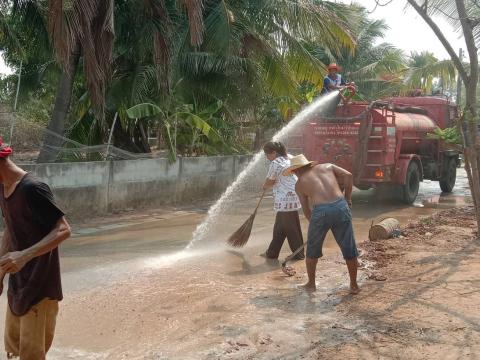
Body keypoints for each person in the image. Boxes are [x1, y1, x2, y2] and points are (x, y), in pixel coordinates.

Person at [0, 140, 71, 359]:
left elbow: (64, 230)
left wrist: (24, 255)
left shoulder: (33, 188)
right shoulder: (3, 188)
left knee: (31, 356)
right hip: (18, 287)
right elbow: (11, 230)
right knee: (13, 350)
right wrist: (0, 271)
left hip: (40, 288)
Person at [283, 154, 360, 294]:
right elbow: (348, 175)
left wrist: (315, 228)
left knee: (312, 251)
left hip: (320, 212)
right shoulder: (327, 166)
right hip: (340, 206)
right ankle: (354, 285)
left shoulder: (299, 184)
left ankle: (311, 284)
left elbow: (306, 211)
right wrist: (348, 198)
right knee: (349, 248)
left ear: (295, 171)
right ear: (308, 164)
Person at [262, 141, 305, 260]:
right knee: (279, 227)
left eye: (267, 154)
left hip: (285, 199)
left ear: (274, 153)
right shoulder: (290, 157)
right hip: (294, 195)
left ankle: (299, 254)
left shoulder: (275, 162)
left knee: (291, 228)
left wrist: (265, 186)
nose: (267, 157)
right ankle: (272, 253)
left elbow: (270, 181)